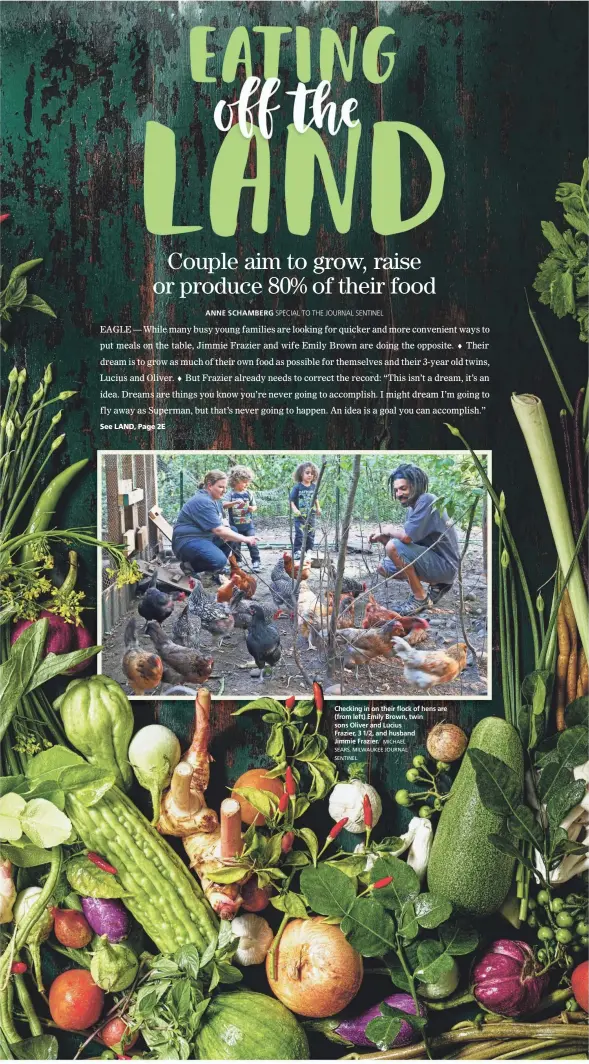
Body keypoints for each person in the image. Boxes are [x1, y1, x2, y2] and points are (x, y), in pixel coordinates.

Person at [369, 462, 460, 615]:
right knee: (383, 567)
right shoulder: (413, 508)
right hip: (435, 561)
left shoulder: (427, 500)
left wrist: (388, 529)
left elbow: (405, 538)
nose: (398, 494)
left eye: (403, 488)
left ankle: (420, 597)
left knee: (393, 546)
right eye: (396, 490)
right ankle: (437, 585)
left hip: (446, 565)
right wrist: (383, 538)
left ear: (415, 486)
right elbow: (409, 548)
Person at [172, 469, 257, 578]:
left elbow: (223, 520)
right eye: (221, 487)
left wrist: (227, 530)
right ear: (209, 486)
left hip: (203, 537)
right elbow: (218, 530)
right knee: (220, 560)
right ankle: (190, 566)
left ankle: (213, 570)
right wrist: (246, 538)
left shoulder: (215, 500)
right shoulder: (203, 501)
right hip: (187, 541)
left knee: (232, 531)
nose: (224, 490)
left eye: (225, 487)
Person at [222, 465, 261, 572]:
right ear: (235, 481)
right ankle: (238, 562)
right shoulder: (230, 493)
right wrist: (234, 502)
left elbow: (255, 506)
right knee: (235, 545)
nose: (246, 484)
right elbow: (223, 505)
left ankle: (256, 562)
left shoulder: (249, 493)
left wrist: (252, 508)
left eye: (247, 482)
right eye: (244, 482)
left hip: (248, 525)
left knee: (252, 543)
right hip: (235, 526)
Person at [289, 461, 321, 560]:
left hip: (311, 515)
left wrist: (318, 507)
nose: (310, 475)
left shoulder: (313, 487)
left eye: (312, 473)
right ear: (301, 474)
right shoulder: (297, 487)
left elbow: (315, 498)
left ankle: (309, 551)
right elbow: (291, 501)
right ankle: (297, 551)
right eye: (307, 473)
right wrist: (295, 510)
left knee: (311, 533)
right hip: (300, 516)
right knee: (300, 533)